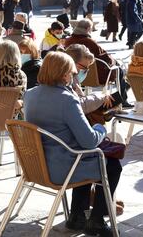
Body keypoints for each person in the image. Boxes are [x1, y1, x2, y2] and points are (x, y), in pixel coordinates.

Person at [24, 51, 122, 236]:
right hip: (61, 167)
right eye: (72, 73)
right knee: (111, 164)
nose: (74, 76)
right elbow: (89, 140)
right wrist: (100, 128)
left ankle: (77, 215)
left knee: (84, 155)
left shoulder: (30, 95)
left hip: (36, 164)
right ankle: (97, 220)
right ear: (63, 74)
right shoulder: (67, 100)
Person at [64, 19, 132, 108]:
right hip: (97, 75)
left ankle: (122, 94)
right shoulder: (89, 42)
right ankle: (123, 98)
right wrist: (113, 60)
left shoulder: (68, 40)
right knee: (119, 70)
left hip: (81, 75)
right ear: (88, 28)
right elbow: (105, 57)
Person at [66, 44, 116, 125]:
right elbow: (79, 105)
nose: (86, 71)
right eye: (84, 68)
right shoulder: (67, 80)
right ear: (71, 63)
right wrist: (101, 97)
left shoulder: (71, 77)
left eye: (88, 68)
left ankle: (103, 114)